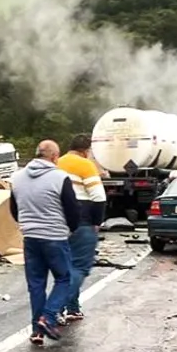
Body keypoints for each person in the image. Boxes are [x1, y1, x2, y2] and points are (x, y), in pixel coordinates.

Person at [9, 140, 80, 345]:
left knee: (36, 284)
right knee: (65, 279)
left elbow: (14, 209)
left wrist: (27, 224)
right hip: (55, 237)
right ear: (54, 157)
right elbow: (72, 209)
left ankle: (36, 331)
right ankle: (48, 318)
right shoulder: (60, 177)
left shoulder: (17, 178)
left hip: (30, 238)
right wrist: (73, 229)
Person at [56, 135, 107, 322]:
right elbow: (99, 197)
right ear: (85, 151)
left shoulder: (57, 163)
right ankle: (55, 308)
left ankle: (73, 308)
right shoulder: (85, 164)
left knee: (66, 268)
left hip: (59, 223)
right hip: (81, 221)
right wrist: (97, 222)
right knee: (79, 267)